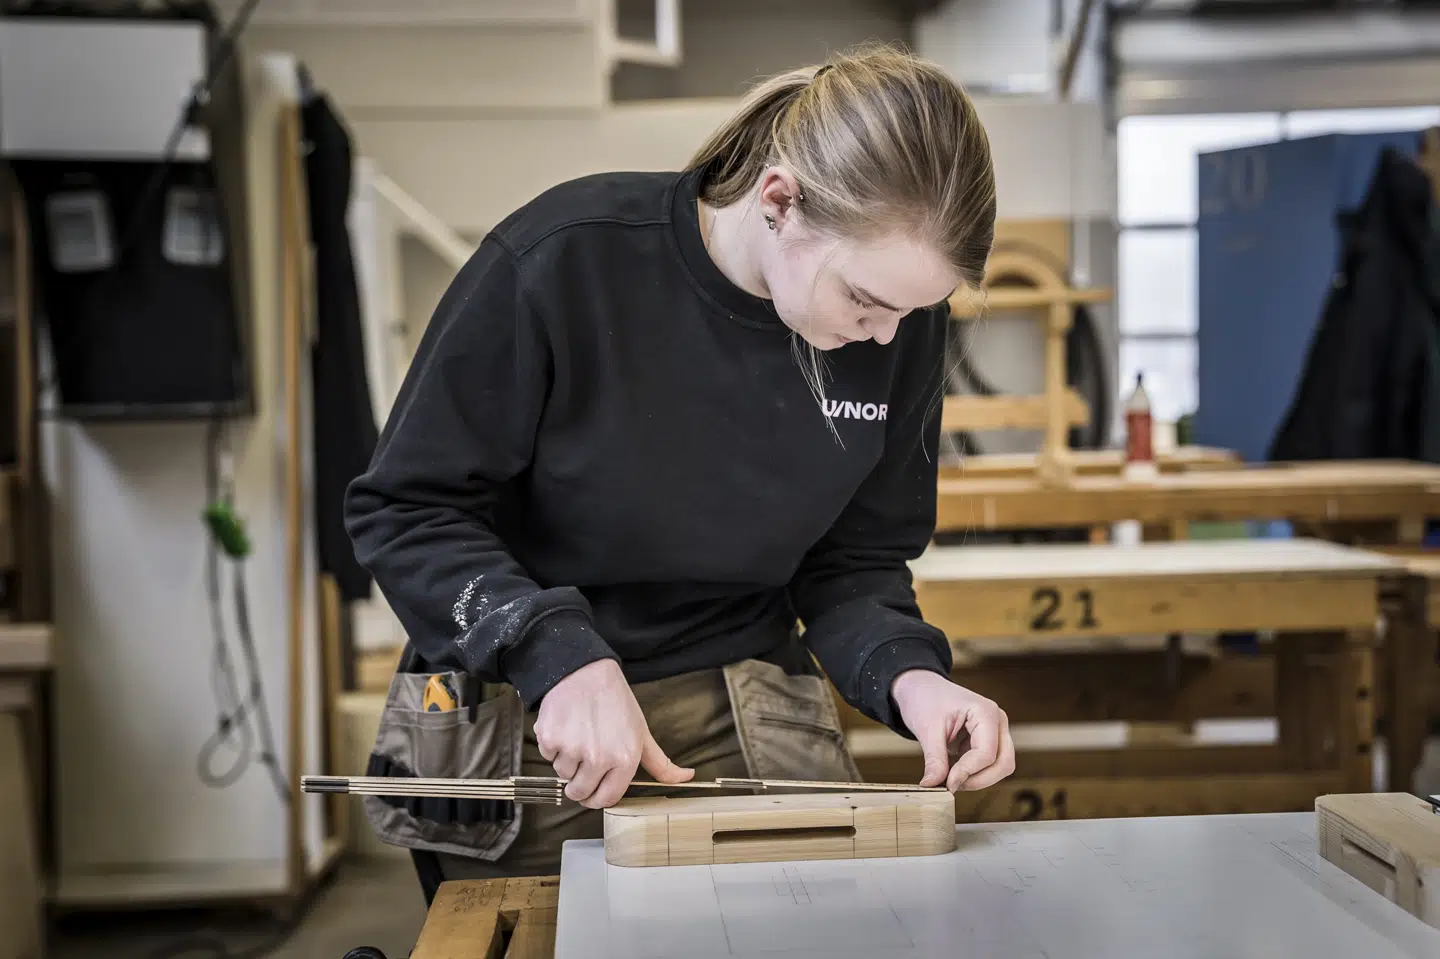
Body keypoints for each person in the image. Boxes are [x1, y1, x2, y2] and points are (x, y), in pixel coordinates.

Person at [344, 43, 1016, 893]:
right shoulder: (562, 260)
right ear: (779, 201)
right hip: (532, 699)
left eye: (914, 311)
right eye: (865, 300)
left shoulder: (898, 322)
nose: (886, 336)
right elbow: (406, 508)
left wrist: (910, 675)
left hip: (743, 688)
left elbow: (854, 561)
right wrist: (555, 654)